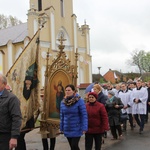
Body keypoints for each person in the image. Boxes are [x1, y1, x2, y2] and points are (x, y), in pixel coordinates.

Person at [60, 84, 88, 150]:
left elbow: (84, 115)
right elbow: (62, 116)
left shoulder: (79, 101)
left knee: (74, 145)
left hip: (77, 127)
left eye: (69, 90)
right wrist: (61, 127)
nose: (67, 92)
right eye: (66, 90)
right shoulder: (63, 102)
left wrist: (84, 127)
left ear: (73, 91)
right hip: (67, 127)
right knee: (72, 147)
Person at [0, 74, 22, 150]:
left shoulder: (12, 98)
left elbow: (16, 118)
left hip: (5, 136)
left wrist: (14, 137)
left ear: (4, 84)